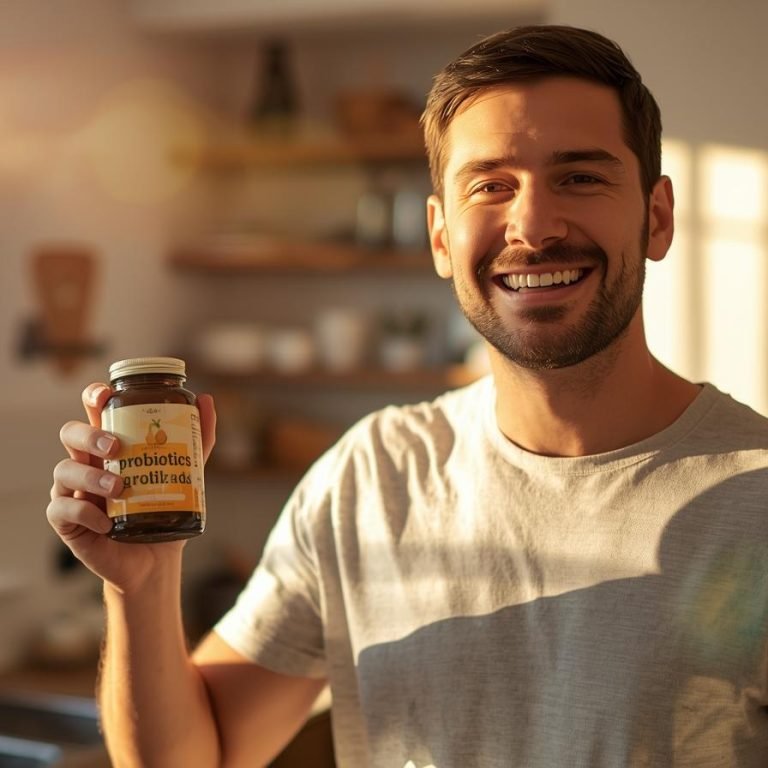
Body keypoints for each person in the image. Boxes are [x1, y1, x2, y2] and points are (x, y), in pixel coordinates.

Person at [48, 24, 768, 768]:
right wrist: (142, 582)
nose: (533, 225)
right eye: (490, 185)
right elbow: (192, 760)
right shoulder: (371, 475)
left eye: (580, 177)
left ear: (656, 216)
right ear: (439, 236)